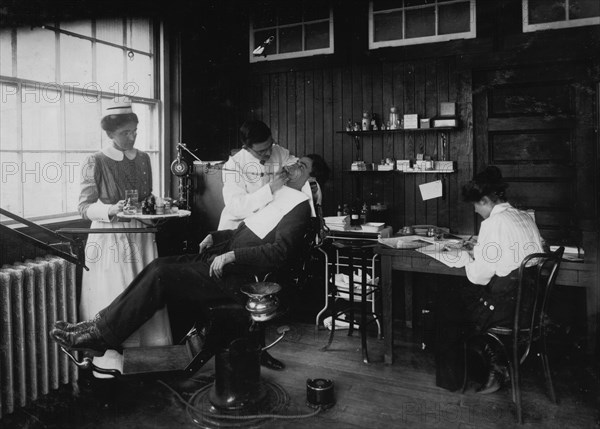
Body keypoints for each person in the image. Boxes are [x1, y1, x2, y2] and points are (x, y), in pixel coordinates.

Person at [50, 155, 329, 368]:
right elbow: (248, 232)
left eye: (300, 166)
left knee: (162, 277)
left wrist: (232, 255)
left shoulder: (299, 208)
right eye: (294, 161)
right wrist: (216, 236)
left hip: (240, 276)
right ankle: (97, 327)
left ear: (310, 180)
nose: (291, 166)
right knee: (159, 265)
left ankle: (100, 335)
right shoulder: (279, 196)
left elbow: (279, 253)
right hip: (223, 259)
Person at [435, 166, 544, 394]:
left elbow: (479, 276)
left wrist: (466, 258)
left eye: (476, 205)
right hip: (529, 307)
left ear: (485, 200)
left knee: (445, 303)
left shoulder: (492, 224)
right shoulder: (523, 216)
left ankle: (453, 380)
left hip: (505, 309)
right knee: (456, 298)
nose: (475, 210)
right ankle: (493, 358)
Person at [78, 96, 172, 357]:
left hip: (141, 236)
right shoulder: (94, 161)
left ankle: (148, 359)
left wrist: (159, 203)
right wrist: (111, 209)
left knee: (146, 293)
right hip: (112, 238)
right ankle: (111, 365)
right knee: (118, 296)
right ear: (109, 133)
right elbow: (84, 207)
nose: (131, 137)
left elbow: (148, 196)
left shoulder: (143, 158)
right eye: (124, 133)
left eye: (134, 132)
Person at [218, 119, 315, 230]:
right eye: (261, 151)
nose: (269, 153)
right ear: (246, 148)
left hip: (267, 222)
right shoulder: (233, 166)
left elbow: (297, 165)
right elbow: (236, 208)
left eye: (270, 146)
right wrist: (270, 188)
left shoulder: (278, 151)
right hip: (238, 226)